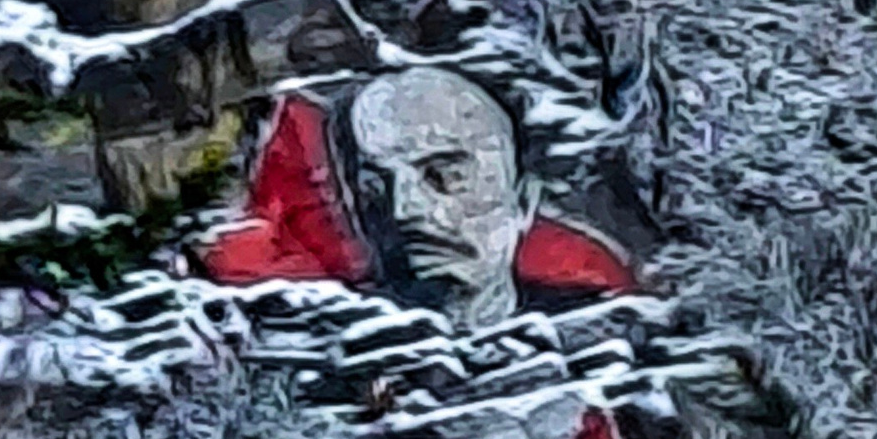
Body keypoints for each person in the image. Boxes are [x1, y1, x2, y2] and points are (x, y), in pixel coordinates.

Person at [205, 60, 636, 329]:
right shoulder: (316, 343)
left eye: (444, 176)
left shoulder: (599, 334)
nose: (404, 209)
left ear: (522, 203)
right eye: (376, 187)